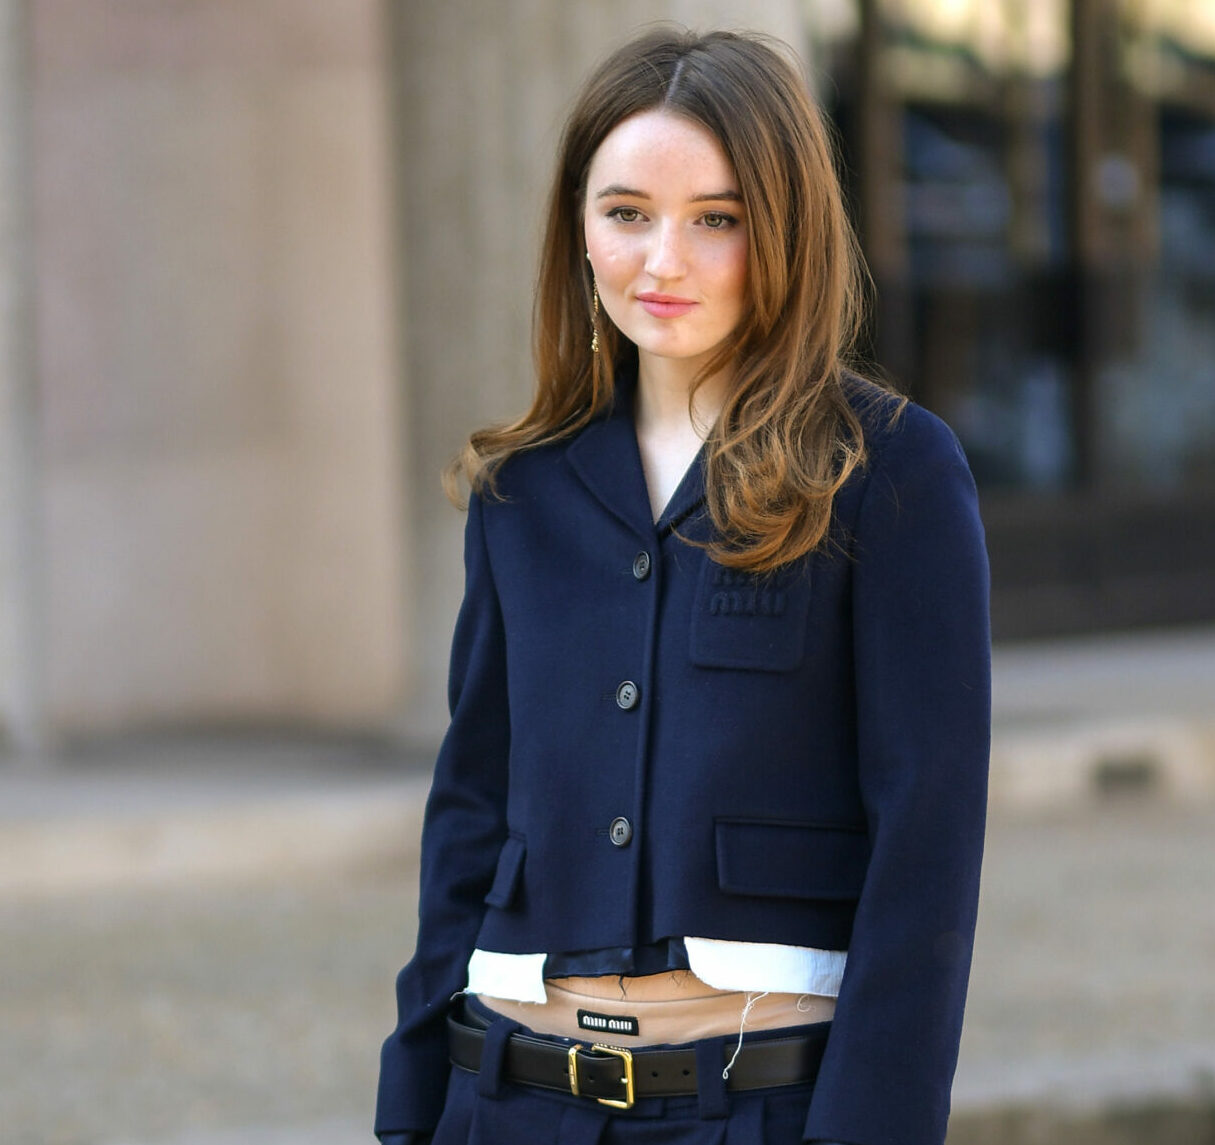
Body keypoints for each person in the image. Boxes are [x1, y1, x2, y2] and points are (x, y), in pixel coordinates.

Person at [375, 26, 990, 1145]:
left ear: (786, 227)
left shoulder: (890, 471)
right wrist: (409, 1112)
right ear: (578, 230)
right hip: (505, 1102)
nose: (662, 261)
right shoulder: (521, 491)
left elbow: (926, 846)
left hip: (752, 1108)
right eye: (626, 214)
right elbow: (467, 814)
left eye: (716, 218)